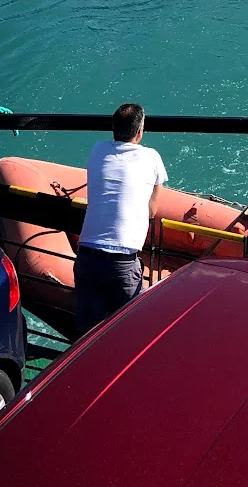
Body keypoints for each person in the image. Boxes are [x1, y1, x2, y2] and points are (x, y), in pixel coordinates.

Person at [73, 102, 167, 336]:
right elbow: (152, 210)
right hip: (122, 264)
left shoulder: (97, 151)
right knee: (129, 335)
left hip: (87, 259)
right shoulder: (152, 157)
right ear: (139, 132)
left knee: (87, 337)